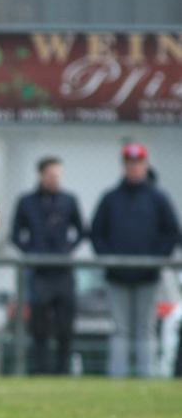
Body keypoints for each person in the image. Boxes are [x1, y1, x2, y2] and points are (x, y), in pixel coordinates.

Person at [91, 143, 180, 377]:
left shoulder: (158, 198)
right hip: (117, 275)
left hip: (148, 276)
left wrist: (156, 259)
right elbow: (97, 233)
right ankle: (117, 378)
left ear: (145, 165)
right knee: (120, 329)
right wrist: (109, 258)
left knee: (145, 328)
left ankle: (146, 376)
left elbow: (171, 233)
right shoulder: (111, 198)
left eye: (138, 163)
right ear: (124, 166)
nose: (134, 168)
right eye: (129, 163)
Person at [11, 157, 84, 374]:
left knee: (65, 326)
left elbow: (81, 230)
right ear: (41, 175)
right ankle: (40, 370)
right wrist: (31, 252)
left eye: (58, 176)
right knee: (39, 326)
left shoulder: (69, 201)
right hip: (39, 273)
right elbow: (15, 235)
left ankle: (63, 371)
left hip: (63, 272)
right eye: (51, 175)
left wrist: (68, 249)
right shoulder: (27, 202)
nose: (55, 179)